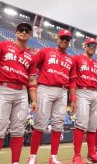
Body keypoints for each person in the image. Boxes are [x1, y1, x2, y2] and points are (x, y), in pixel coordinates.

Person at [0, 22, 37, 164]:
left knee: (18, 130)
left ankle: (15, 162)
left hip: (22, 92)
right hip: (3, 88)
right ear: (15, 32)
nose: (23, 32)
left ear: (30, 35)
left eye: (27, 30)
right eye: (21, 30)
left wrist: (33, 100)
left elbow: (32, 80)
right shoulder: (3, 45)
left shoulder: (31, 56)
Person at [27, 29, 76, 164]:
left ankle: (53, 157)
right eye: (62, 38)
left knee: (58, 125)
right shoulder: (46, 51)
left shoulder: (70, 60)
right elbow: (32, 64)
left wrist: (73, 100)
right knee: (40, 123)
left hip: (62, 92)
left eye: (67, 39)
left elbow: (72, 81)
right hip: (45, 88)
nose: (65, 41)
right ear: (57, 39)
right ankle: (33, 156)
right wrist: (32, 81)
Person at [72, 38, 97, 164]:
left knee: (93, 126)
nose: (92, 47)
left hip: (94, 94)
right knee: (81, 124)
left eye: (94, 45)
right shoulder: (76, 59)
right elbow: (71, 77)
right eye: (90, 45)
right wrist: (72, 97)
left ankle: (92, 154)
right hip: (82, 91)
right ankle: (77, 156)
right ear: (85, 46)